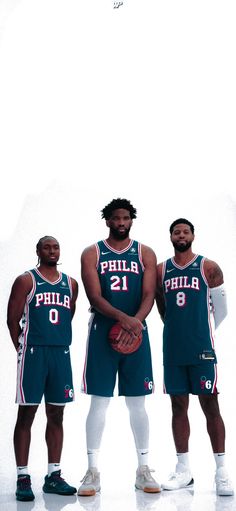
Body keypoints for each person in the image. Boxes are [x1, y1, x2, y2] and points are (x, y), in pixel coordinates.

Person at [78, 198, 161, 496]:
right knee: (99, 401)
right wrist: (124, 319)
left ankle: (143, 468)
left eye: (126, 217)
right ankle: (92, 471)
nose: (122, 222)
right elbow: (94, 297)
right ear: (108, 221)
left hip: (136, 333)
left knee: (137, 401)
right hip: (104, 333)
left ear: (132, 220)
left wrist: (135, 323)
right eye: (116, 218)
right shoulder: (92, 253)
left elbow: (149, 293)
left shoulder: (145, 252)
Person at [156, 218, 234, 496]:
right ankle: (183, 469)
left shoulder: (208, 267)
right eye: (176, 231)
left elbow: (221, 311)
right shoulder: (160, 270)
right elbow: (162, 308)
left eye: (185, 231)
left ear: (193, 236)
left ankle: (222, 471)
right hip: (174, 350)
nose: (181, 235)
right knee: (178, 407)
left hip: (201, 349)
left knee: (211, 406)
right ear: (170, 237)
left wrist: (201, 331)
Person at [7, 236, 78, 501]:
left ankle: (54, 475)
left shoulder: (71, 283)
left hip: (60, 352)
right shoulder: (26, 280)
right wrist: (23, 350)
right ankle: (23, 477)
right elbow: (12, 320)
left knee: (57, 415)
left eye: (56, 246)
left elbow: (66, 316)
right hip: (34, 353)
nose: (52, 251)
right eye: (47, 247)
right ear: (38, 251)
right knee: (27, 414)